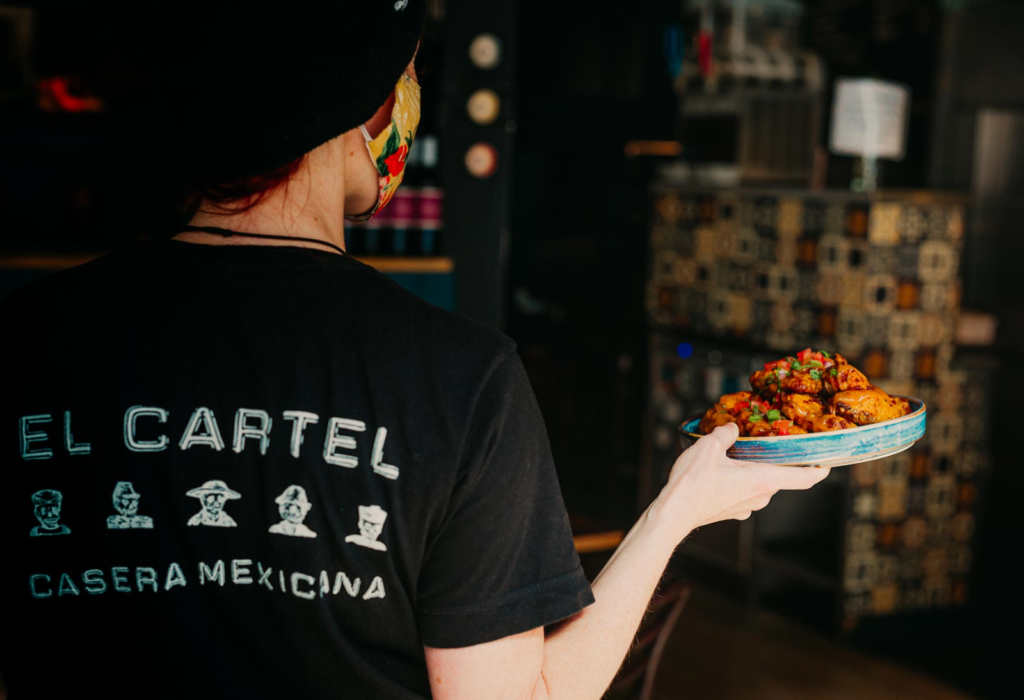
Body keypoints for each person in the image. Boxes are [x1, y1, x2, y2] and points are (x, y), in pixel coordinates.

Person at [0, 2, 829, 698]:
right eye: (408, 78)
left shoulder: (25, 336)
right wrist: (676, 508)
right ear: (364, 114)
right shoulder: (462, 377)